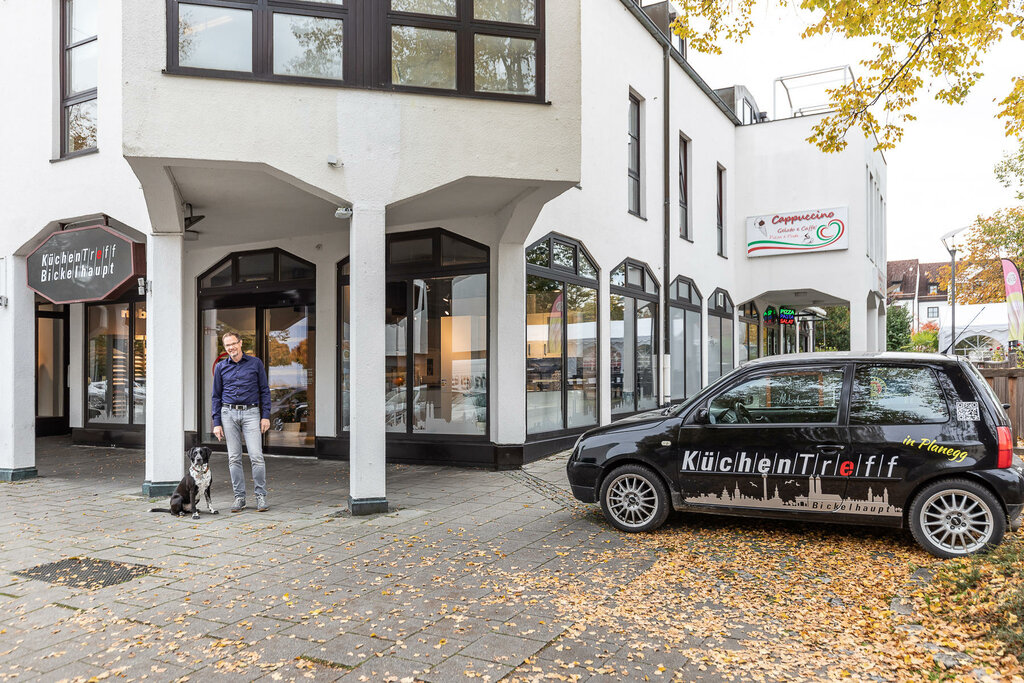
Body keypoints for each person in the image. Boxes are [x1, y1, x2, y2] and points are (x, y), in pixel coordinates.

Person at [211, 331, 271, 512]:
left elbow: (264, 390)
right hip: (228, 414)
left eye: (233, 343)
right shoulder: (221, 367)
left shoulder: (255, 363)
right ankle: (239, 497)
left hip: (251, 413)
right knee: (234, 458)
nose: (231, 348)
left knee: (256, 456)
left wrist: (266, 416)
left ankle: (260, 496)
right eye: (227, 345)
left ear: (240, 343)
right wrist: (216, 423)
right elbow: (216, 396)